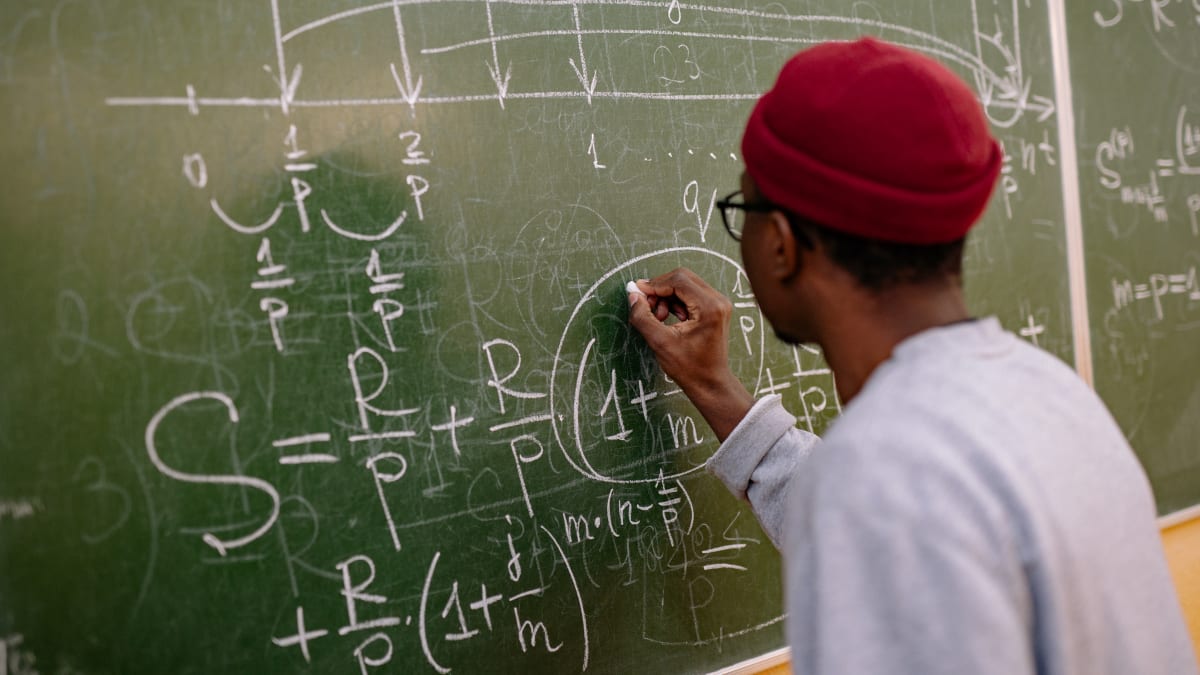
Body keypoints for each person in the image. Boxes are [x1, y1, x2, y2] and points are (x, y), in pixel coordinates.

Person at [627, 37, 1197, 675]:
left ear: (783, 245)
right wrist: (713, 387)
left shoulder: (883, 477)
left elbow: (886, 506)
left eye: (746, 210)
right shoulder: (1051, 396)